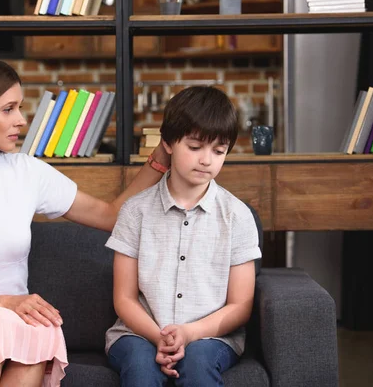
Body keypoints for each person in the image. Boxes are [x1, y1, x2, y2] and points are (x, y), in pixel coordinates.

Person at [0, 55, 170, 387]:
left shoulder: (26, 173)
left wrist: (160, 159)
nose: (21, 120)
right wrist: (6, 303)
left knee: (38, 329)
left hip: (18, 328)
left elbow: (110, 216)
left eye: (19, 108)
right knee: (3, 328)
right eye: (8, 109)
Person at [104, 86, 262, 386]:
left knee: (199, 364)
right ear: (168, 142)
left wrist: (189, 334)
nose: (206, 160)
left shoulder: (237, 216)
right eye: (195, 147)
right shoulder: (135, 211)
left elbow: (241, 305)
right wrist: (159, 336)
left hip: (210, 337)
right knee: (140, 368)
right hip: (139, 334)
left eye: (218, 151)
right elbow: (123, 298)